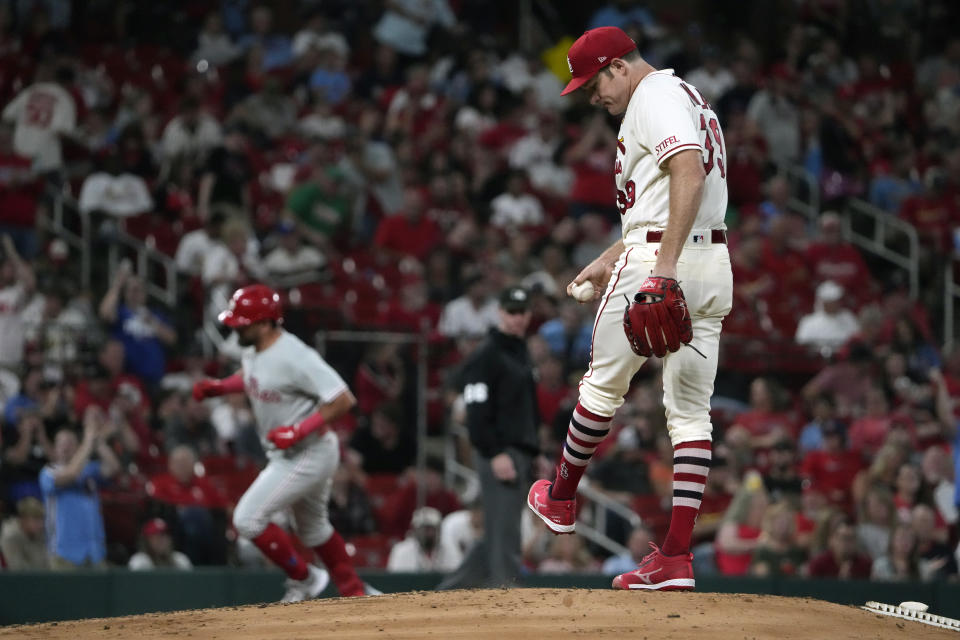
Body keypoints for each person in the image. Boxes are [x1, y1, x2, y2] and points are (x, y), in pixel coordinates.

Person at [525, 26, 732, 592]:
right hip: (711, 261)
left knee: (600, 385)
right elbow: (667, 198)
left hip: (661, 262)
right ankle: (676, 559)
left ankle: (561, 498)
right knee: (690, 412)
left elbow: (685, 170)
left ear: (618, 66)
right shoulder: (688, 95)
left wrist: (660, 268)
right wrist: (608, 257)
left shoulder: (652, 96)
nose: (594, 98)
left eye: (594, 85)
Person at [192, 284, 368, 601]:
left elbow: (343, 399)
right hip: (293, 452)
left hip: (308, 450)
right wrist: (220, 387)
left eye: (241, 323)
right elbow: (253, 376)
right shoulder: (253, 347)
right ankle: (354, 592)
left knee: (247, 519)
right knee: (312, 529)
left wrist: (299, 430)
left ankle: (305, 578)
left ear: (264, 324)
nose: (234, 328)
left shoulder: (296, 356)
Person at [438, 286, 541, 589]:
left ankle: (451, 592)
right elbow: (476, 411)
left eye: (522, 312)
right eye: (511, 311)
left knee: (499, 528)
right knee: (506, 530)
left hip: (519, 450)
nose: (517, 318)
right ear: (499, 313)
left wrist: (535, 452)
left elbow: (527, 410)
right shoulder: (487, 354)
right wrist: (495, 453)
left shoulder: (520, 352)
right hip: (499, 452)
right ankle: (507, 590)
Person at [39, 408, 121, 569]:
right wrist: (88, 439)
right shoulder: (48, 472)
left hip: (94, 552)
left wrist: (98, 442)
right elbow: (72, 473)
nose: (65, 448)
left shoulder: (89, 470)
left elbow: (114, 467)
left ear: (78, 448)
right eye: (61, 444)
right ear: (55, 448)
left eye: (70, 444)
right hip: (64, 554)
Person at [387, 506, 457, 572]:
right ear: (415, 529)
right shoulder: (401, 551)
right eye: (425, 529)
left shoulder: (450, 549)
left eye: (432, 529)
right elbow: (395, 581)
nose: (429, 533)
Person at [0, 496, 48, 570]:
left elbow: (45, 565)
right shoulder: (10, 536)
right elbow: (16, 569)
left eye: (42, 519)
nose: (41, 524)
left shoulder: (40, 534)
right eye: (36, 519)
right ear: (23, 519)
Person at [127, 518, 193, 570]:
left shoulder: (180, 559)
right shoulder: (140, 560)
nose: (161, 540)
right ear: (147, 541)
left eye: (164, 536)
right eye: (156, 537)